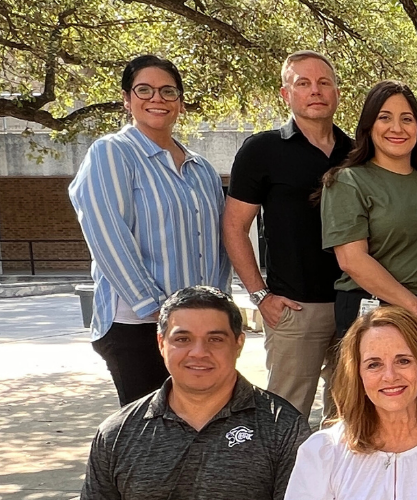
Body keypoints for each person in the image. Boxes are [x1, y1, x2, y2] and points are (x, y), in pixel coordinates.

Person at [70, 55, 232, 406]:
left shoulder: (200, 168)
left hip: (197, 328)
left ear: (181, 102)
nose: (157, 99)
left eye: (168, 91)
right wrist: (159, 309)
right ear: (127, 99)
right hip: (139, 326)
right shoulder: (112, 154)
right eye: (144, 90)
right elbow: (107, 237)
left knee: (202, 427)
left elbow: (219, 244)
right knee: (149, 439)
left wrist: (216, 307)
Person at [82, 286, 309, 500]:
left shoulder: (284, 428)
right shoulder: (116, 434)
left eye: (215, 339)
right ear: (161, 343)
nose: (199, 352)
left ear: (238, 343)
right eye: (183, 339)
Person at [224, 50, 352, 421]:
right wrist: (260, 294)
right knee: (285, 416)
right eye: (303, 83)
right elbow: (234, 226)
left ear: (337, 92)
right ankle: (281, 482)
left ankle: (336, 482)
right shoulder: (262, 150)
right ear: (286, 94)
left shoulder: (357, 152)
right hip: (295, 309)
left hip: (353, 304)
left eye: (324, 82)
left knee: (347, 416)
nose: (315, 91)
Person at [286, 306, 417, 499]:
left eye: (403, 361)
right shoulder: (323, 451)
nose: (390, 376)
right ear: (357, 375)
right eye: (374, 364)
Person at [319, 80, 417, 355]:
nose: (397, 128)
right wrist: (416, 311)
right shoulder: (348, 181)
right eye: (385, 117)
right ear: (369, 126)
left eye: (406, 119)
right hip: (374, 314)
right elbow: (352, 260)